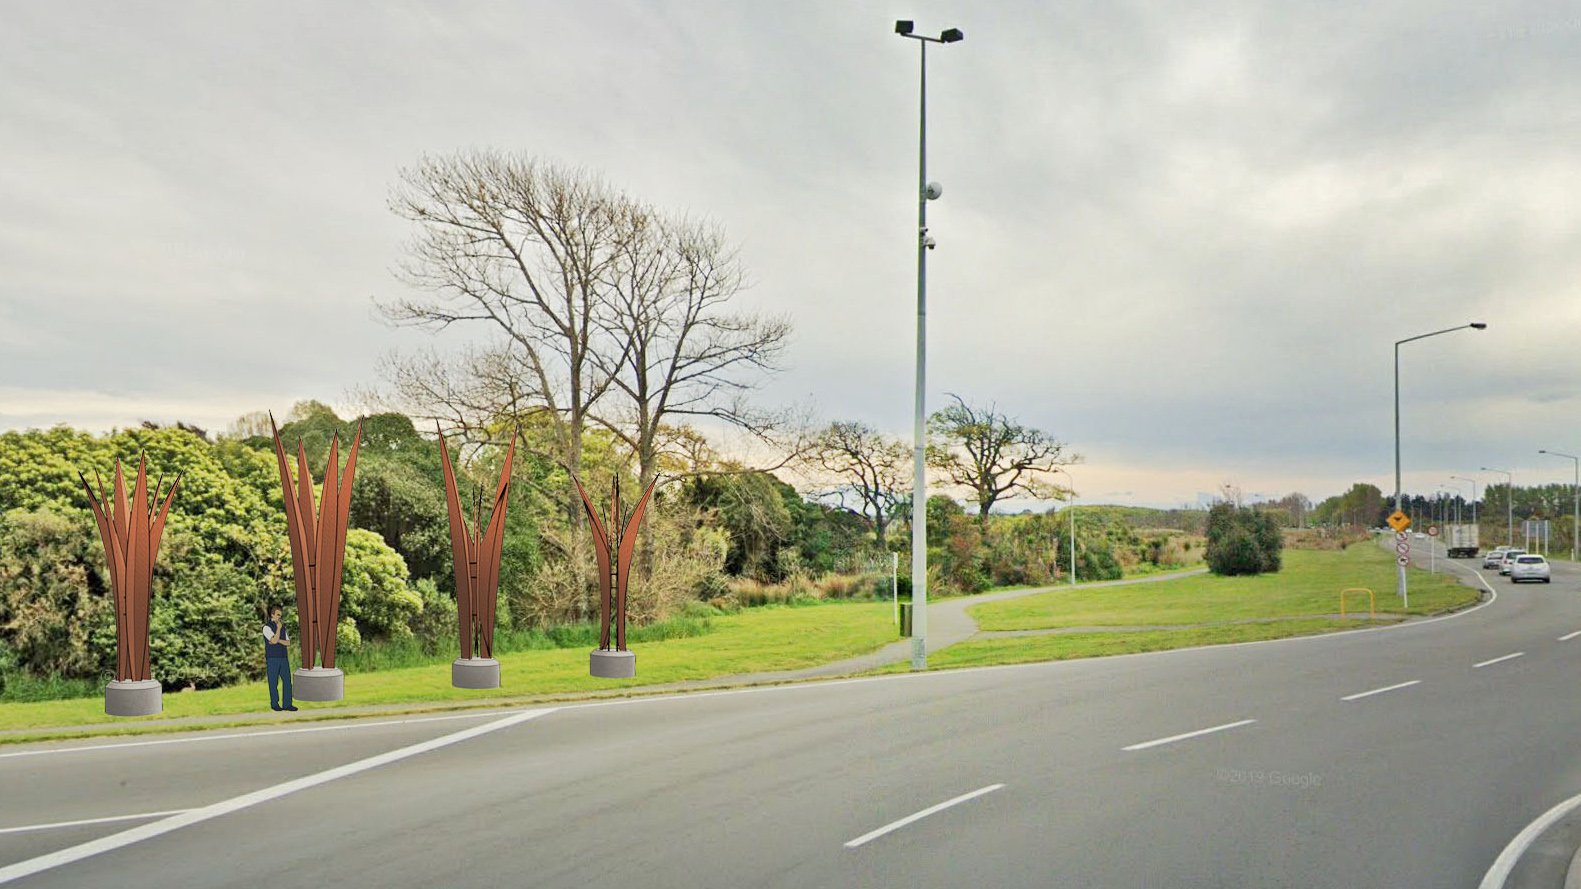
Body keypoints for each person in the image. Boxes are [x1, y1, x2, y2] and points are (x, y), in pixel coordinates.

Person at [264, 606, 298, 712]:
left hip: (283, 658)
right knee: (273, 682)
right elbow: (273, 641)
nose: (279, 617)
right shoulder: (266, 627)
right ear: (272, 615)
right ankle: (275, 704)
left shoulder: (283, 628)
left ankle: (287, 704)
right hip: (272, 658)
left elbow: (288, 643)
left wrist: (276, 639)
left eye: (280, 615)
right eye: (278, 615)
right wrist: (278, 631)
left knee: (287, 681)